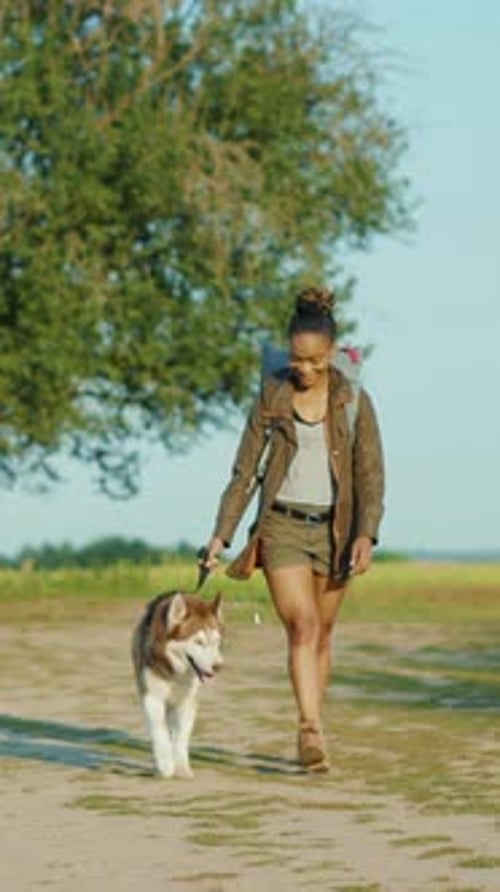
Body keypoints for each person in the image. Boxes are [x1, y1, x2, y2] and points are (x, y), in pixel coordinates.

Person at [203, 286, 384, 773]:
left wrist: (366, 532)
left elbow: (370, 472)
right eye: (299, 360)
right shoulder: (271, 395)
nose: (306, 370)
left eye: (317, 362)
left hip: (336, 531)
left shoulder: (353, 399)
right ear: (288, 351)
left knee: (323, 633)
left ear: (331, 355)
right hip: (281, 524)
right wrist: (222, 535)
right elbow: (244, 473)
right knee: (301, 626)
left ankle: (313, 721)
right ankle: (310, 730)